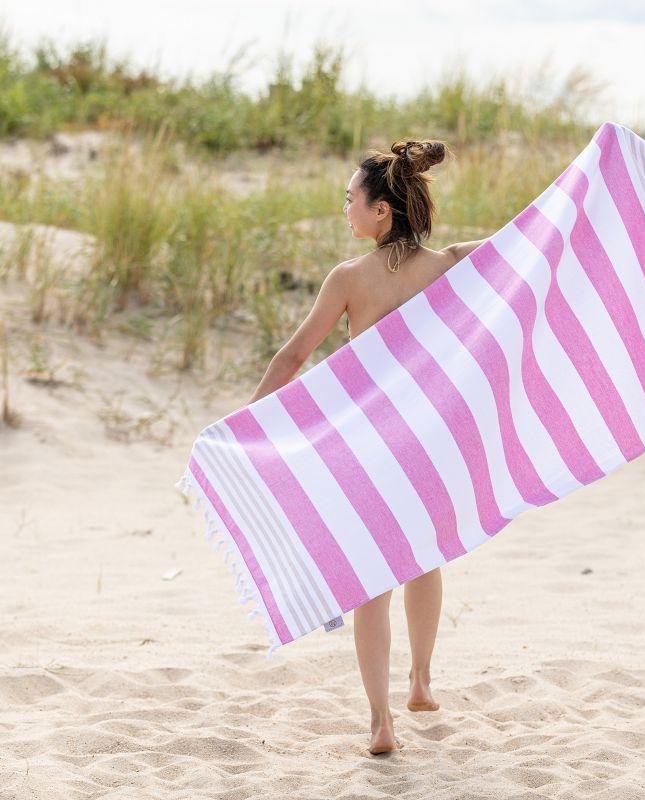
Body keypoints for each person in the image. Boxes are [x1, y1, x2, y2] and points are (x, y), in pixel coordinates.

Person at [247, 139, 487, 755]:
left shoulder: (350, 279)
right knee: (425, 556)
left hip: (371, 444)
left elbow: (294, 357)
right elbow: (535, 247)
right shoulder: (452, 264)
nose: (345, 208)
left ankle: (381, 719)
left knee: (372, 577)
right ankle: (421, 681)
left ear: (382, 210)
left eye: (352, 199)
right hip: (430, 439)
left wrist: (249, 425)